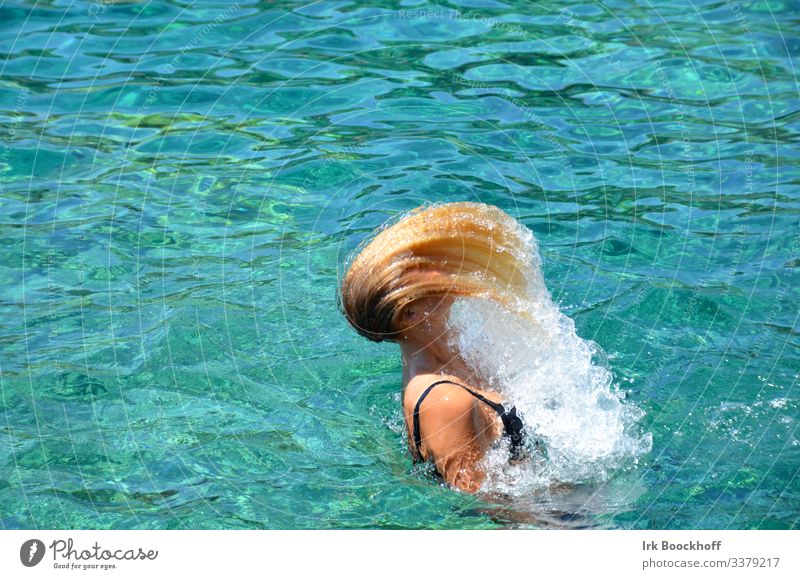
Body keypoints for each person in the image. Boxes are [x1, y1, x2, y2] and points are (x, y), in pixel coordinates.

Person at [339, 202, 532, 492]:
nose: (442, 264)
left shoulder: (458, 350)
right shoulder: (444, 401)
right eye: (423, 268)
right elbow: (489, 503)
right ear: (409, 312)